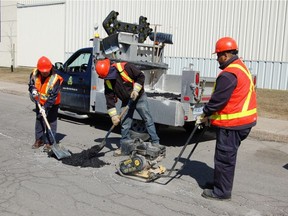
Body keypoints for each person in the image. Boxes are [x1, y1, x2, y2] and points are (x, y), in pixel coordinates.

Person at [197, 37, 257, 200]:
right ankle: (219, 183)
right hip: (242, 122)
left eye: (218, 55)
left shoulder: (229, 74)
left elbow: (218, 100)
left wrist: (205, 113)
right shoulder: (240, 67)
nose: (217, 59)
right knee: (223, 156)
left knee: (224, 158)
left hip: (233, 124)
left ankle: (221, 192)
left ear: (225, 55)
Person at [95, 58, 163, 156]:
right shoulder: (108, 82)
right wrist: (113, 116)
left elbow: (140, 76)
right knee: (125, 123)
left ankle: (155, 142)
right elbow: (109, 99)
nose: (108, 79)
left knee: (147, 119)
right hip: (126, 101)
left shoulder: (125, 67)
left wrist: (135, 90)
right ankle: (124, 147)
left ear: (111, 69)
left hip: (139, 97)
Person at [28, 56, 63, 151]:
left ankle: (49, 142)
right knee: (39, 120)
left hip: (53, 103)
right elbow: (30, 85)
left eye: (46, 71)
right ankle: (39, 140)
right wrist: (33, 90)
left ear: (50, 68)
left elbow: (53, 96)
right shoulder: (34, 73)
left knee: (51, 121)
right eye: (42, 72)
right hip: (39, 101)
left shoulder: (56, 79)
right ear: (39, 70)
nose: (44, 73)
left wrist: (45, 107)